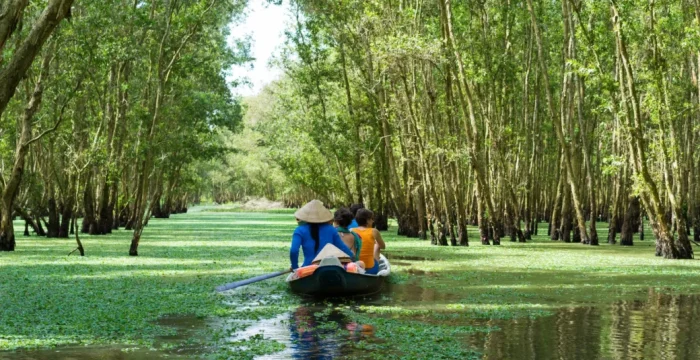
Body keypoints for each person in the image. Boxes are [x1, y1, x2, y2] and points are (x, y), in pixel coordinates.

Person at [290, 200, 354, 270]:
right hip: (329, 268)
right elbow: (342, 248)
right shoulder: (331, 229)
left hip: (308, 268)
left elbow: (294, 250)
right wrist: (354, 259)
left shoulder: (299, 230)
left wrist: (294, 267)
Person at [351, 209, 386, 275]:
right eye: (371, 219)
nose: (373, 221)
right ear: (367, 220)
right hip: (370, 269)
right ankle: (376, 263)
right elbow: (383, 246)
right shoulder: (374, 231)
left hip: (355, 268)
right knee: (378, 245)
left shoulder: (351, 231)